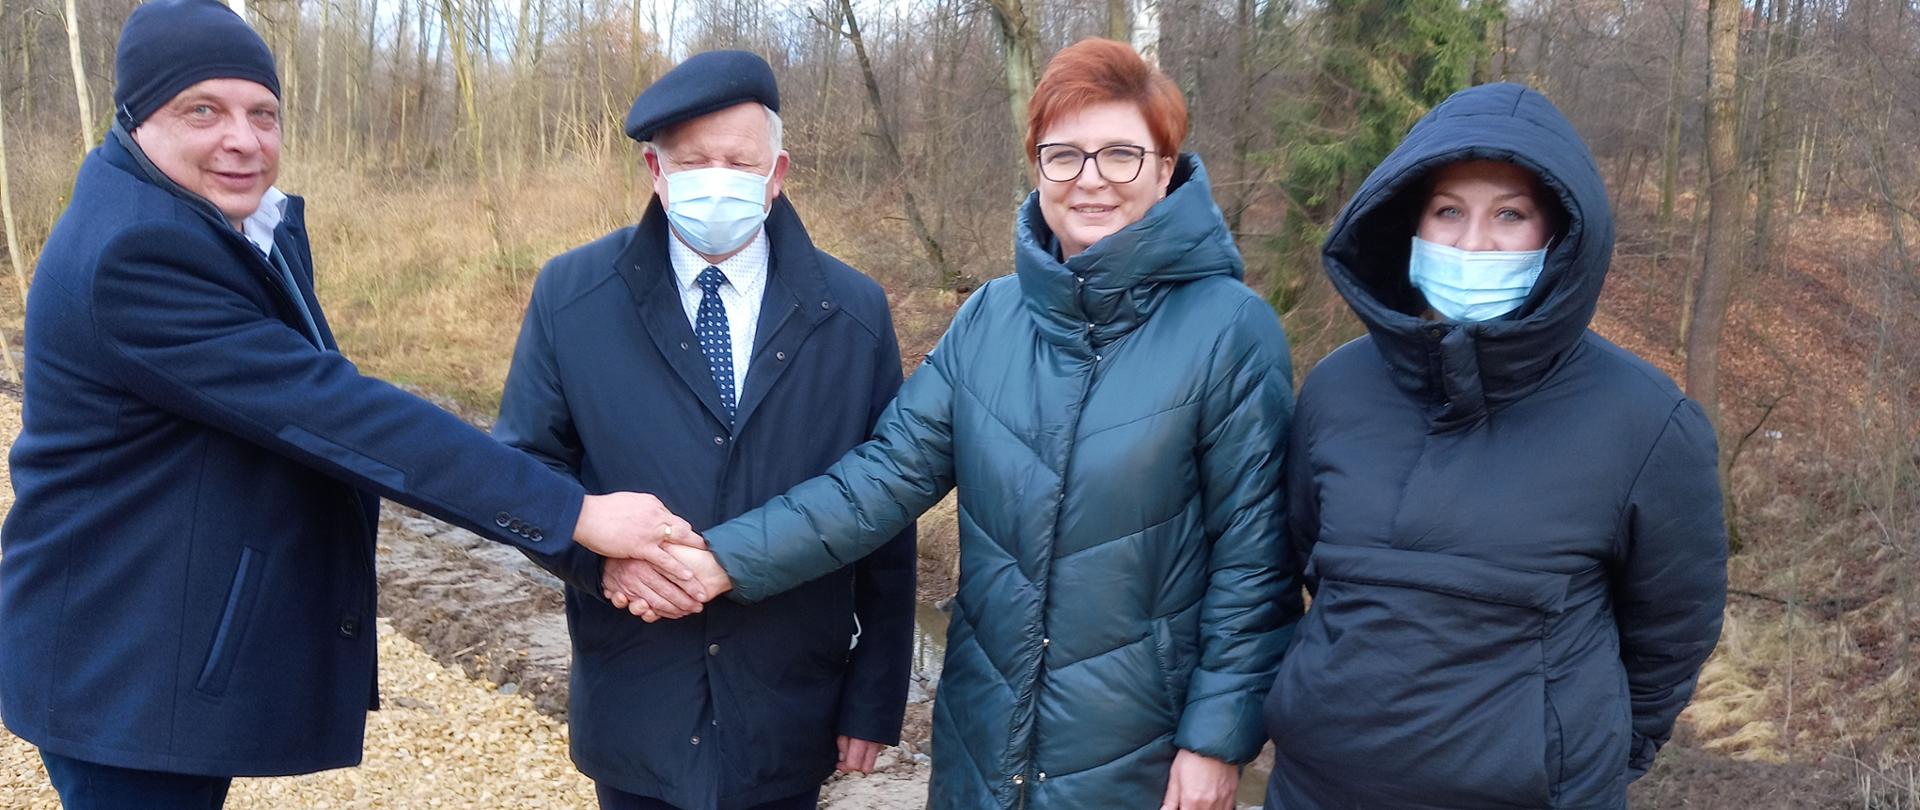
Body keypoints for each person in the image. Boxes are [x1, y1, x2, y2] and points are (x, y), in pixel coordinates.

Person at [0, 3, 697, 807]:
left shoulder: (213, 220)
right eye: (203, 110)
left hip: (146, 638)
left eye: (263, 113)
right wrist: (574, 513)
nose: (243, 138)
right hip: (120, 663)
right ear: (137, 117)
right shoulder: (134, 253)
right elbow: (338, 413)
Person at [611, 38, 1300, 810]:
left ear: (1166, 168)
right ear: (1038, 167)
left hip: (1139, 750)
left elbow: (1254, 566)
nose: (1091, 180)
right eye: (1063, 155)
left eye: (1122, 155)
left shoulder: (1231, 331)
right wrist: (721, 560)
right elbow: (880, 480)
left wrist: (1215, 741)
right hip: (984, 735)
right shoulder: (991, 320)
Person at [1261, 82, 1727, 808]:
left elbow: (1671, 633)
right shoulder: (1335, 389)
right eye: (1450, 212)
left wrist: (1580, 759)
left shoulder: (1646, 419)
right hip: (1318, 788)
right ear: (1410, 224)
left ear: (1559, 236)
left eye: (1509, 215)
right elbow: (1311, 563)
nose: (1472, 243)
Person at [494, 50, 916, 810]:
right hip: (637, 700)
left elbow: (884, 510)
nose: (717, 179)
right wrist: (603, 566)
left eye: (739, 161)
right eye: (694, 162)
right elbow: (523, 472)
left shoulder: (854, 314)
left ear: (777, 173)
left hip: (789, 708)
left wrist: (874, 695)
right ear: (656, 171)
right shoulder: (572, 296)